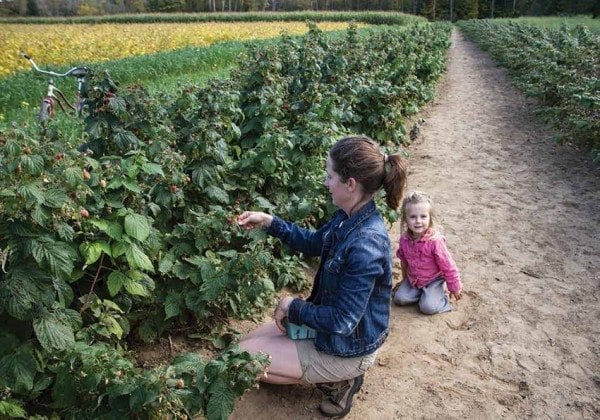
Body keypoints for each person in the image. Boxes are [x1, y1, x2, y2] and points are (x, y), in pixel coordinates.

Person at [237, 136, 407, 418]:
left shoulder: (366, 245)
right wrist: (270, 222)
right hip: (335, 330)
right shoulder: (349, 216)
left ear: (350, 184)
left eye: (330, 176)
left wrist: (293, 306)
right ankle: (322, 370)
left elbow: (342, 321)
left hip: (349, 346)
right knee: (242, 347)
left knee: (243, 360)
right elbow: (315, 242)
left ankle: (341, 380)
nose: (326, 182)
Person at [392, 191, 462, 314]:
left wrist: (454, 288)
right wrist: (404, 280)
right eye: (413, 217)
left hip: (434, 280)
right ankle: (424, 294)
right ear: (405, 219)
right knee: (399, 299)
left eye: (423, 216)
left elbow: (448, 266)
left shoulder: (435, 241)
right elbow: (404, 261)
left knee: (427, 308)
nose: (418, 221)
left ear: (430, 218)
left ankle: (440, 294)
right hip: (414, 278)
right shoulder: (404, 239)